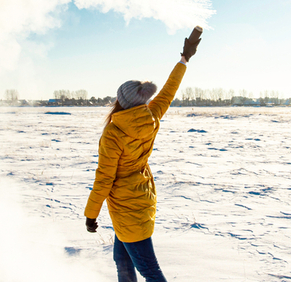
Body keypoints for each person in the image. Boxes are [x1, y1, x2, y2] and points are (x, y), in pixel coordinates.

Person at [84, 27, 202, 282]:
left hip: (127, 207)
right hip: (139, 198)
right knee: (122, 260)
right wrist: (184, 60)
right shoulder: (151, 115)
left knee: (150, 272)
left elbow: (104, 178)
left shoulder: (114, 133)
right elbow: (168, 92)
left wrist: (91, 214)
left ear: (120, 102)